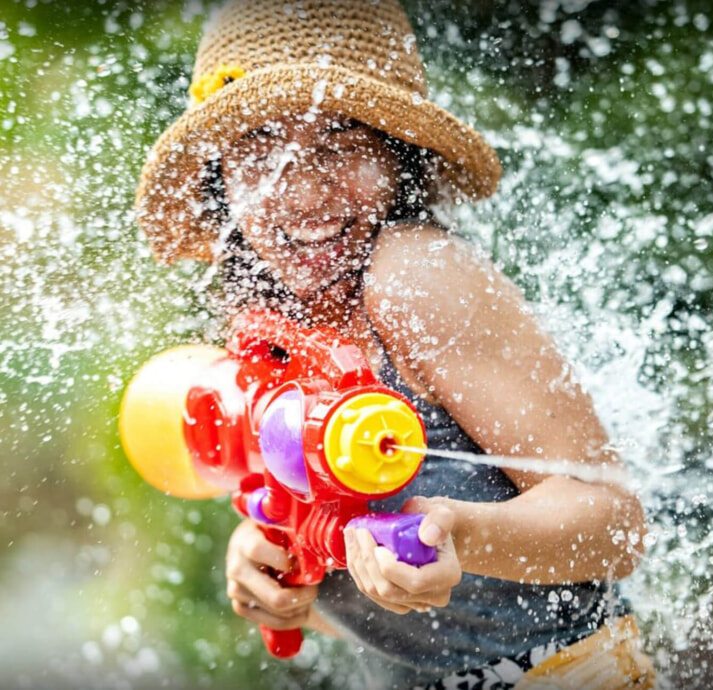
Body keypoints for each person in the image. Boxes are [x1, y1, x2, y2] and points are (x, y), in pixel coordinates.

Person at [134, 1, 651, 687]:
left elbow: (617, 527)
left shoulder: (414, 277)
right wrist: (279, 571)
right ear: (220, 181)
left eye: (343, 143)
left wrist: (454, 534)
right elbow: (413, 619)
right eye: (261, 151)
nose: (307, 190)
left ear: (397, 155)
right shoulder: (262, 329)